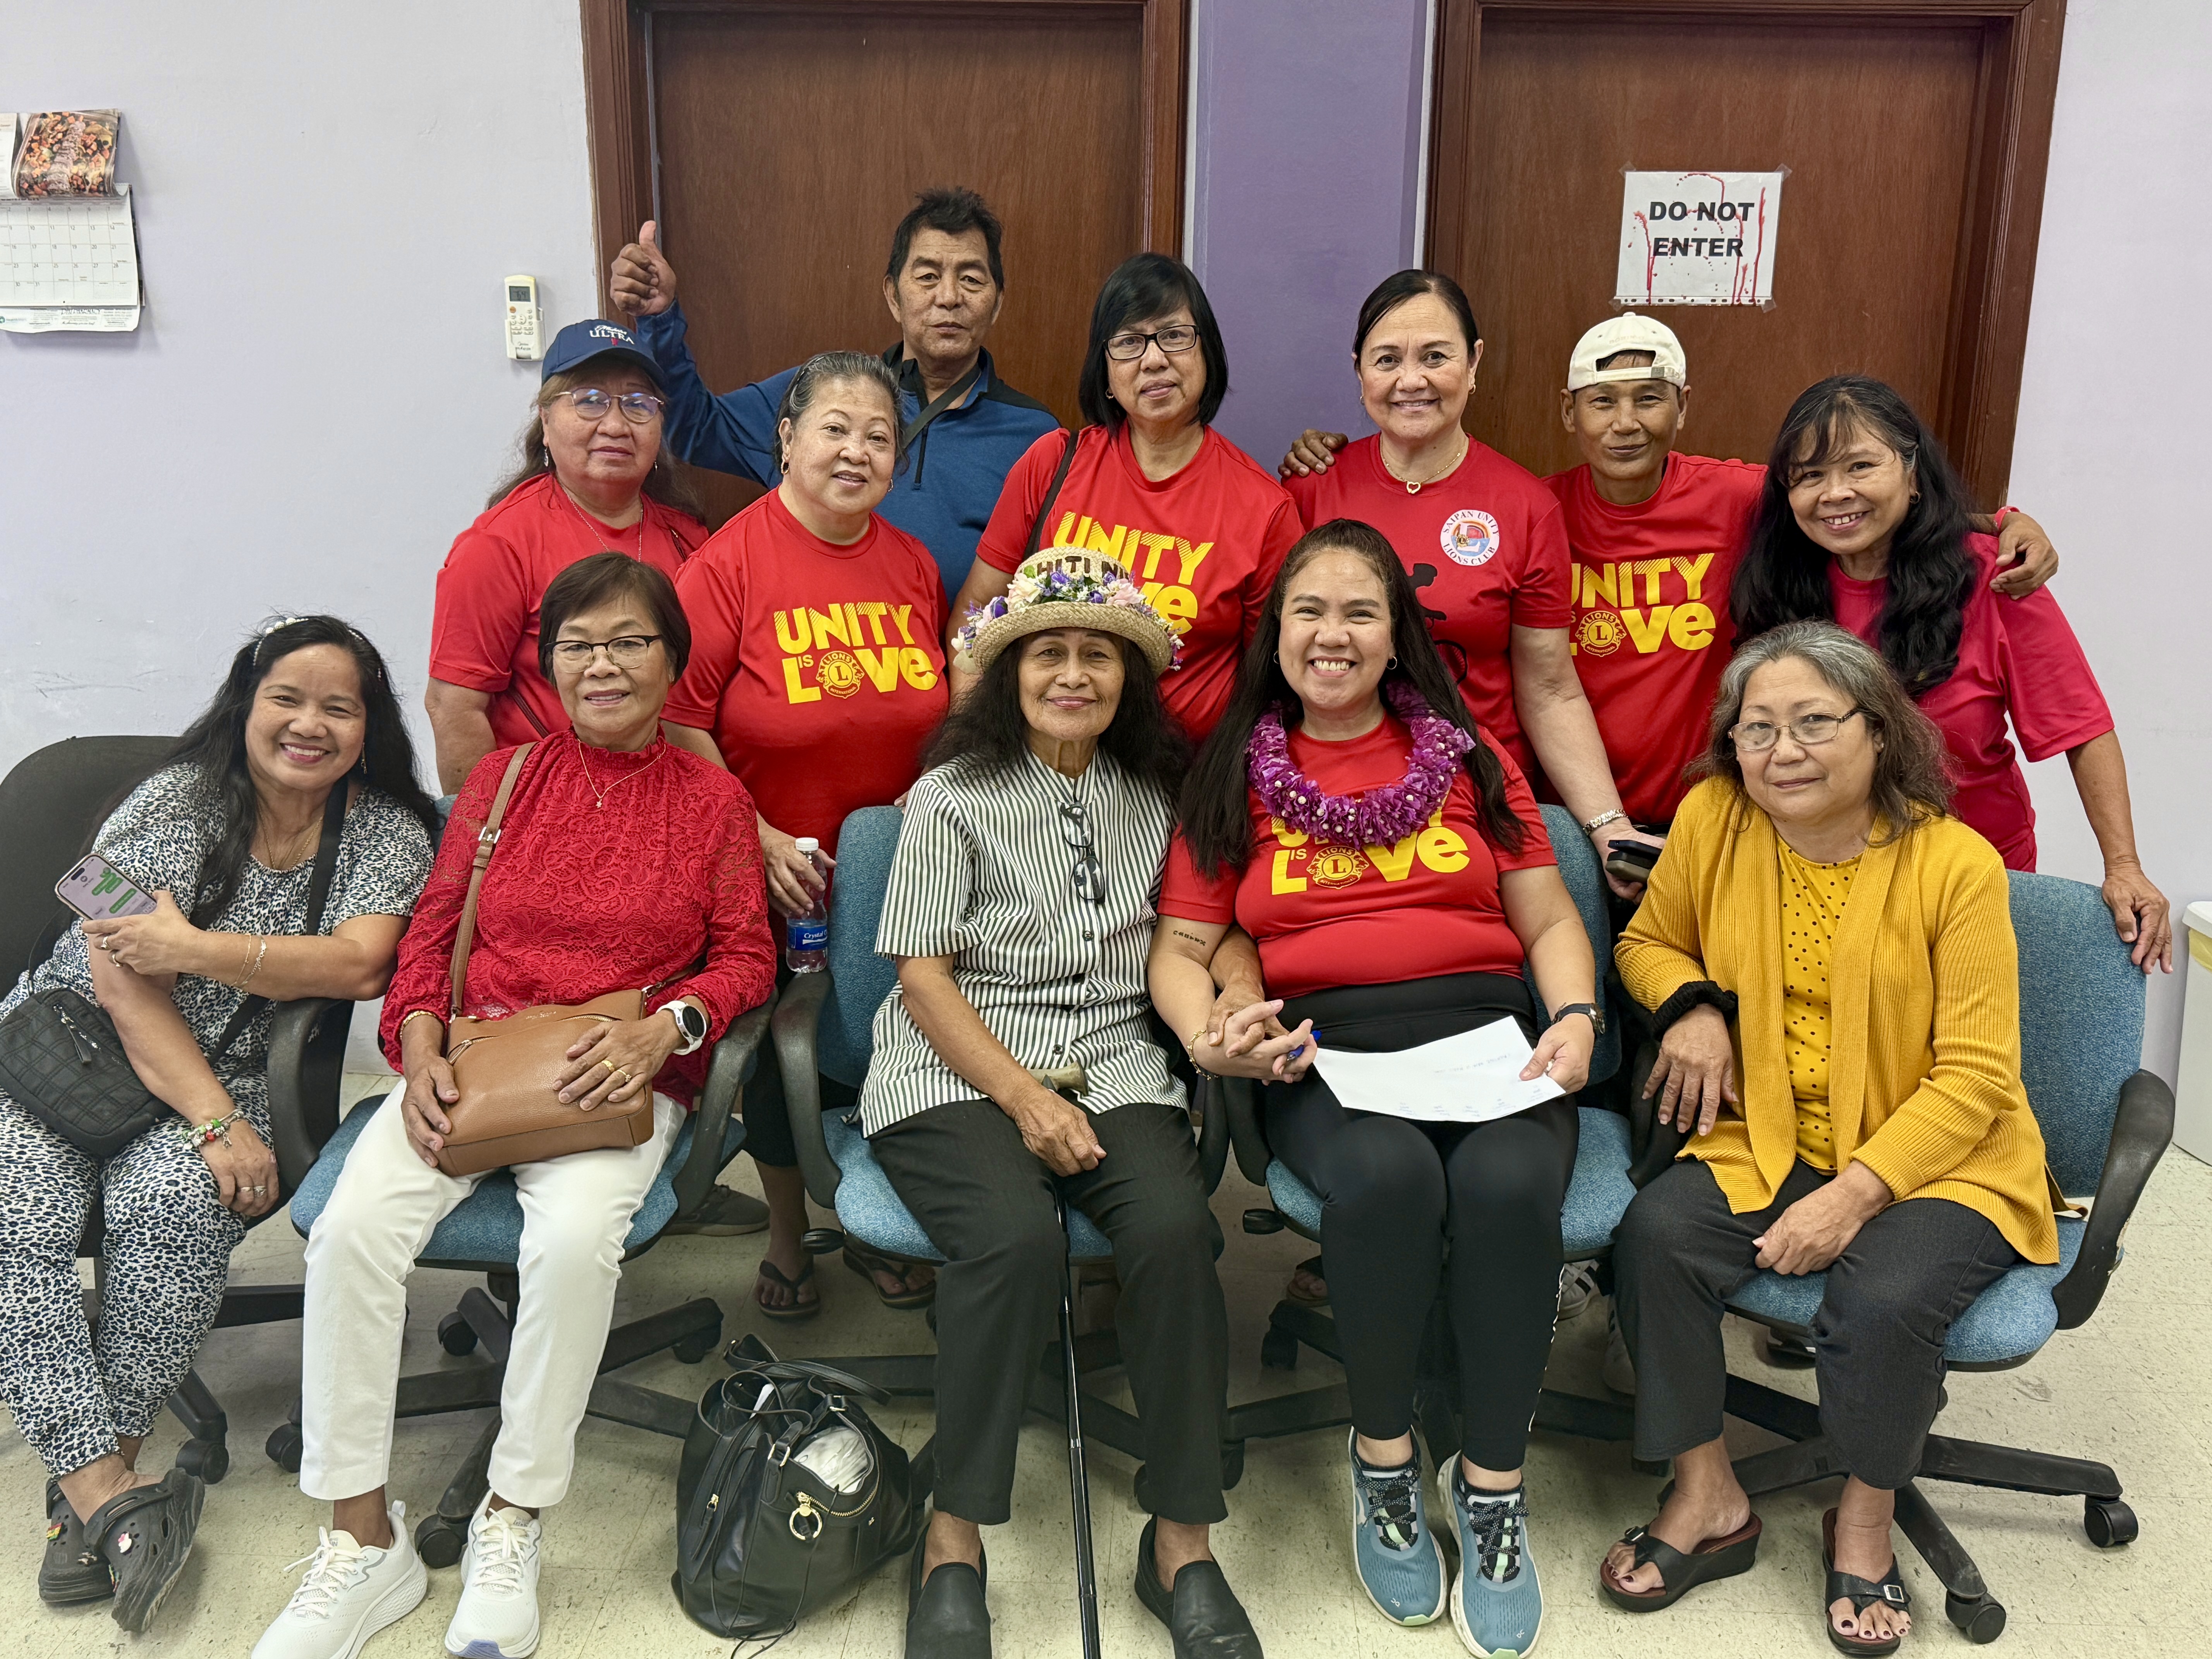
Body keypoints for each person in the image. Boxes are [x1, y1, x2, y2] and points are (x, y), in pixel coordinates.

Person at [255, 555, 775, 1659]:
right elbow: (434, 933)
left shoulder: (716, 802)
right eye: (579, 644)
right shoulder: (498, 786)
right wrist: (419, 1046)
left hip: (612, 1077)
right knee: (347, 1231)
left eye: (630, 641)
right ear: (550, 667)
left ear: (672, 662)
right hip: (472, 1065)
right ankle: (362, 1539)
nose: (604, 664)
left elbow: (746, 958)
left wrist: (662, 1031)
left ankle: (514, 1514)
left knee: (579, 1240)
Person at [1154, 519, 1598, 1659]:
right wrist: (1212, 1038)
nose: (1332, 635)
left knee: (1505, 1190)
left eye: (1360, 612)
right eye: (1308, 612)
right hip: (1323, 1047)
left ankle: (1491, 1484)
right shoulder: (1231, 769)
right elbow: (1178, 945)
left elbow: (1546, 916)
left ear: (1397, 636)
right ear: (1276, 634)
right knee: (1390, 1181)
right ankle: (1386, 1462)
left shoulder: (1467, 758)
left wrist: (1576, 1020)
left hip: (1486, 1030)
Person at [1601, 621, 2060, 1654]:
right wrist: (1692, 1008)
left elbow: (1979, 1075)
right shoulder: (1718, 817)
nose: (1782, 750)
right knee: (1658, 1237)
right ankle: (1709, 1490)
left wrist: (1854, 1192)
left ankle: (1862, 1515)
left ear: (1881, 733)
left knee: (1886, 1296)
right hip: (1771, 1127)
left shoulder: (1955, 863)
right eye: (1757, 728)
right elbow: (1648, 937)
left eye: (1814, 722)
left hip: (1942, 1150)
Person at [1, 617, 436, 1633]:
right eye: (288, 698)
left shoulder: (389, 832)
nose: (309, 724)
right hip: (72, 1049)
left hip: (242, 1072)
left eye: (340, 707)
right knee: (13, 1228)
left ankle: (85, 1489)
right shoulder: (164, 798)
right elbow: (118, 970)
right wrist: (212, 1117)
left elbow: (364, 963)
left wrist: (192, 945)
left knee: (173, 1214)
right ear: (247, 703)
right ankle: (105, 1490)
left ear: (368, 728)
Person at [865, 547, 1262, 1659]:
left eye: (1099, 654)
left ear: (1131, 678)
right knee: (1008, 1241)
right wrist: (1024, 1098)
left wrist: (1233, 983)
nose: (1075, 674)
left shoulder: (1164, 796)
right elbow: (923, 975)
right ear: (1011, 672)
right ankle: (953, 1536)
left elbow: (1206, 926)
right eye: (1051, 653)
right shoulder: (951, 796)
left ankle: (1179, 1536)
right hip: (955, 1065)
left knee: (1182, 1232)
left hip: (1116, 1057)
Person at [1280, 308, 2061, 871]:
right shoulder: (1536, 509)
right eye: (1604, 403)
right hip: (1567, 811)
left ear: (1683, 409)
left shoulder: (1738, 497)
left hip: (1716, 813)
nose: (1626, 423)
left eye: (1649, 398)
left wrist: (1996, 522)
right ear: (1571, 414)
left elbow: (1846, 498)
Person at [662, 350, 950, 1315]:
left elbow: (938, 713)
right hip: (779, 871)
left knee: (897, 1045)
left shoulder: (910, 563)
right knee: (787, 1059)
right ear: (786, 439)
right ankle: (790, 1233)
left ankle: (878, 1219)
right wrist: (757, 835)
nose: (857, 450)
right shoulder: (729, 563)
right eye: (835, 427)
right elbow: (677, 719)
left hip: (906, 871)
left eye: (879, 434)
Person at [1732, 375, 2169, 971]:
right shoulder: (1775, 582)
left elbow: (2080, 728)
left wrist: (2124, 867)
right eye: (1810, 476)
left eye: (1861, 466)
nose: (1835, 493)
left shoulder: (1996, 577)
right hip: (1819, 881)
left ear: (1913, 474)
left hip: (1976, 880)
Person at [1272, 271, 1643, 891]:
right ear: (1359, 370)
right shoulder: (1310, 488)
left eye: (1436, 357)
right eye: (1387, 359)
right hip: (1333, 792)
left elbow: (1550, 688)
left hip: (1481, 797)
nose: (1411, 380)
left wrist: (1609, 827)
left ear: (1473, 364)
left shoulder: (1526, 506)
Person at [610, 186, 1058, 600]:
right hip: (813, 656)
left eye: (972, 280)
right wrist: (660, 318)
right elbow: (696, 429)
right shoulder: (819, 394)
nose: (948, 297)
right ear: (893, 296)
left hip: (958, 674)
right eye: (927, 276)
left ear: (997, 302)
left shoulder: (1035, 435)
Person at [950, 251, 1304, 741]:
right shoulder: (1052, 464)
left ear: (1209, 353)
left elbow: (1273, 686)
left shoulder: (1265, 510)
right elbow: (974, 621)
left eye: (1175, 337)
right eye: (1129, 343)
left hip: (1179, 788)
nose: (1154, 359)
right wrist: (963, 751)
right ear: (1106, 371)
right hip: (1040, 770)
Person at [425, 318, 711, 793]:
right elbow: (453, 706)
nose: (616, 424)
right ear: (545, 419)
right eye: (590, 400)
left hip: (676, 804)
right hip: (548, 812)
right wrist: (484, 837)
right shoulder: (498, 545)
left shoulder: (691, 538)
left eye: (639, 404)